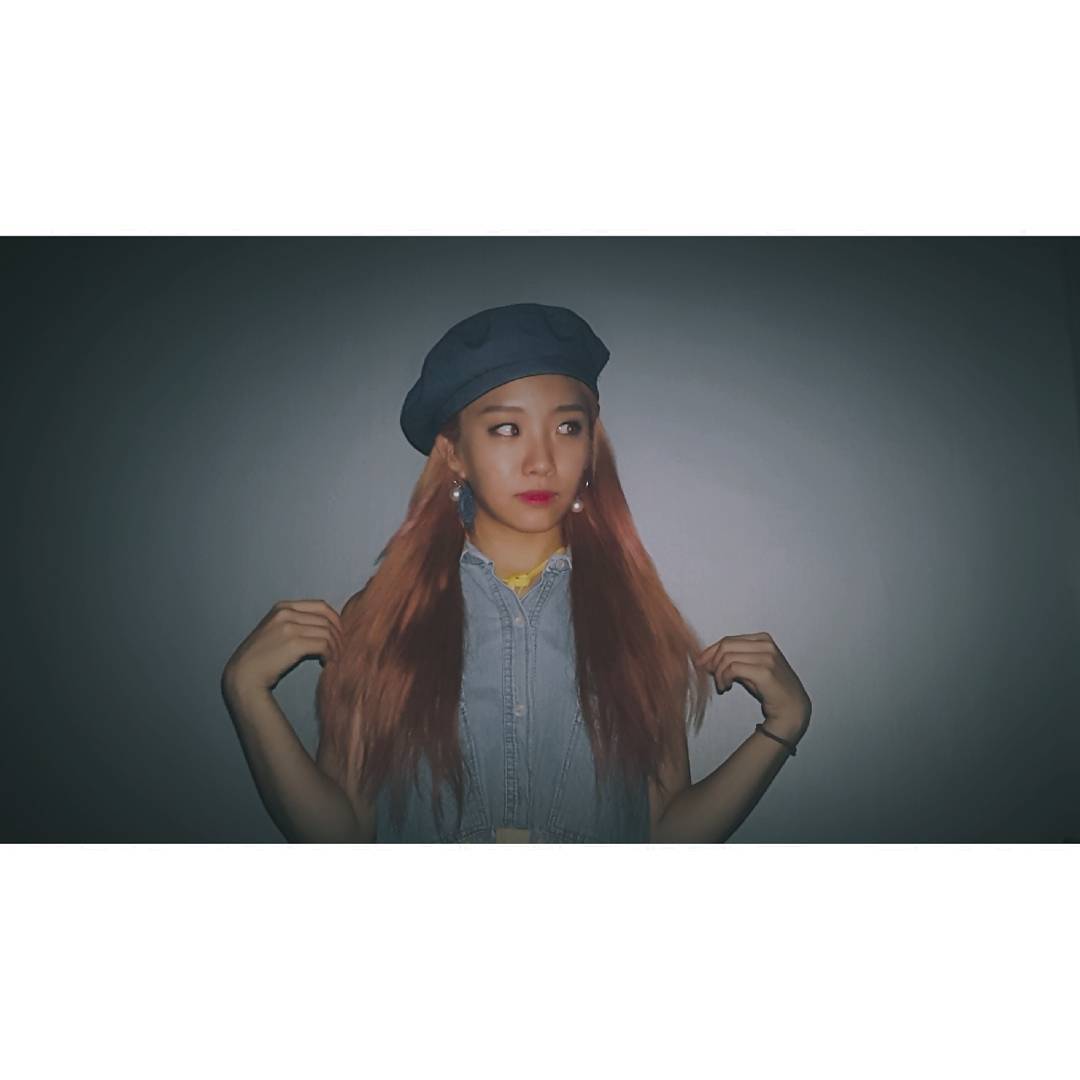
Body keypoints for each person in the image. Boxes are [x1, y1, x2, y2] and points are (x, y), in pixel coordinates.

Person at [220, 302, 813, 843]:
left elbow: (665, 834)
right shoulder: (383, 618)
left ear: (590, 444)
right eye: (506, 428)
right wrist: (247, 692)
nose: (541, 461)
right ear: (454, 452)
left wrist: (781, 726)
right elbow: (341, 835)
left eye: (567, 427)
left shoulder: (636, 619)